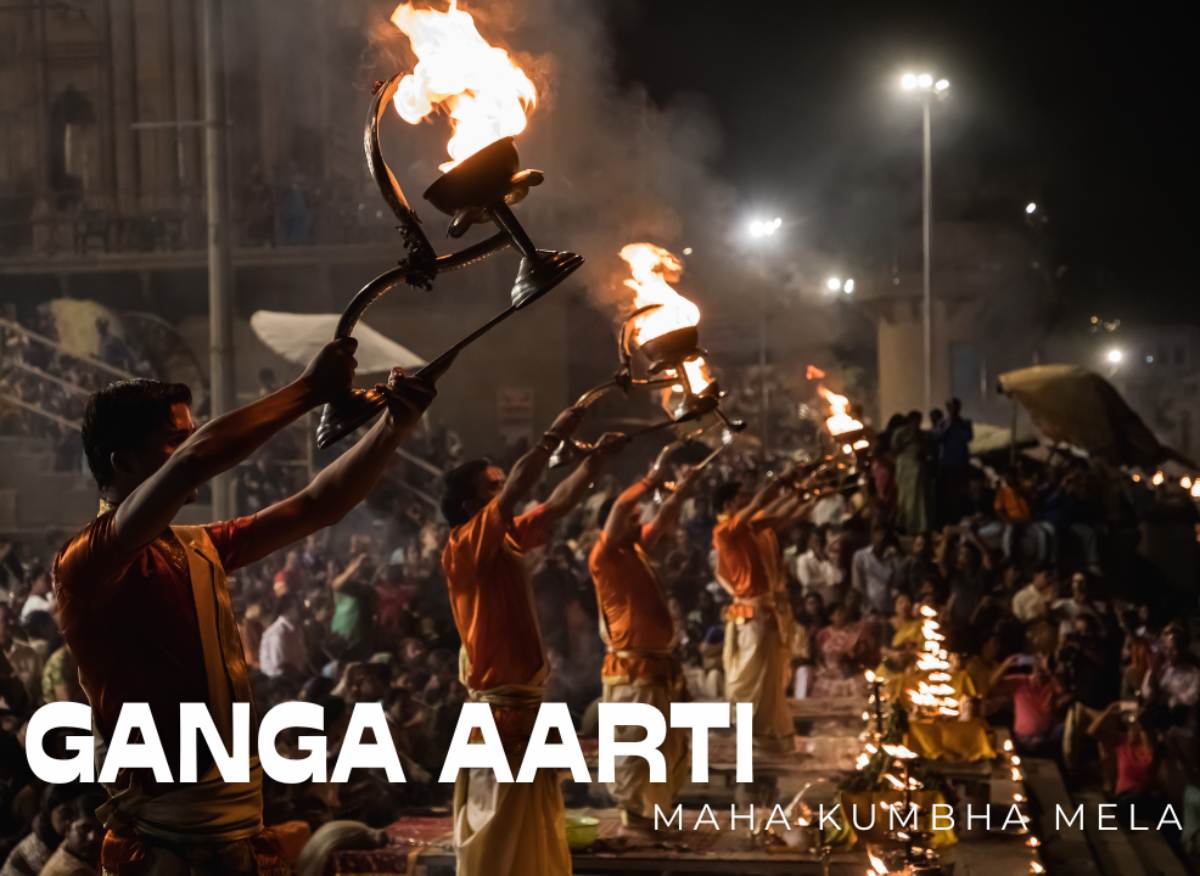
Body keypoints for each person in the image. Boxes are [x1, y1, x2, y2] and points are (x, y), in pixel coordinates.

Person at [52, 341, 434, 874]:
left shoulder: (197, 545)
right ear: (124, 461)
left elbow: (318, 505)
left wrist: (394, 426)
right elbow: (193, 463)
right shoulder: (85, 563)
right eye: (175, 439)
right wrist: (307, 391)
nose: (192, 448)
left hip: (236, 832)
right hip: (168, 847)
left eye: (191, 435)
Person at [439, 404, 623, 876]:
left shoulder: (506, 537)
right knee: (497, 836)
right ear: (470, 507)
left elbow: (557, 504)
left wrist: (593, 464)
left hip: (524, 708)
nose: (504, 491)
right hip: (499, 714)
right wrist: (556, 432)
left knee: (534, 831)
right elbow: (521, 487)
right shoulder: (464, 546)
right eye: (492, 487)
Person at [588, 446, 700, 835]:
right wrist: (655, 473)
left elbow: (666, 516)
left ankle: (652, 816)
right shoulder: (604, 555)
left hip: (656, 670)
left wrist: (683, 488)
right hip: (631, 671)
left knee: (663, 747)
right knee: (634, 748)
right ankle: (634, 820)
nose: (640, 521)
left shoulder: (634, 548)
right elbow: (621, 507)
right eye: (634, 519)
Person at [712, 469, 810, 751]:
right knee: (750, 680)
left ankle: (769, 739)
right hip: (750, 615)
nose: (749, 501)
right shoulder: (725, 531)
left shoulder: (750, 528)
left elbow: (782, 516)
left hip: (766, 612)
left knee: (770, 680)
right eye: (742, 498)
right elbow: (760, 505)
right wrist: (782, 481)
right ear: (729, 505)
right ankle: (751, 737)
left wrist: (805, 494)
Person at [38, 792, 104, 876]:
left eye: (99, 829)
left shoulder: (76, 855)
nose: (93, 837)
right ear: (68, 825)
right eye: (85, 828)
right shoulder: (66, 872)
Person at [850, 524, 901, 616]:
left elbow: (895, 582)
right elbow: (857, 585)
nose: (881, 538)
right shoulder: (861, 556)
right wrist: (865, 606)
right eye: (879, 534)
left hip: (888, 608)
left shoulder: (892, 556)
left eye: (884, 535)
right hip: (868, 609)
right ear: (873, 535)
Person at [794, 527, 845, 608]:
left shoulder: (831, 558)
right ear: (809, 542)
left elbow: (839, 578)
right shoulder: (803, 559)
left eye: (821, 541)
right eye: (815, 541)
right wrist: (828, 580)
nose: (818, 544)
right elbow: (806, 582)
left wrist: (828, 561)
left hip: (832, 599)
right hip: (815, 604)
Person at [258, 594, 307, 678]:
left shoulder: (296, 628)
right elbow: (281, 666)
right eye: (297, 606)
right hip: (280, 679)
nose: (301, 609)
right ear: (286, 610)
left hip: (296, 674)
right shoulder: (278, 633)